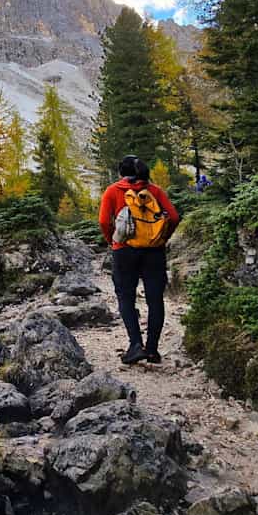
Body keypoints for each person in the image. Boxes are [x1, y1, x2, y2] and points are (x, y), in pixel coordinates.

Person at [98, 155, 180, 365]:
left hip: (124, 251)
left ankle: (135, 345)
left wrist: (113, 241)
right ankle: (152, 349)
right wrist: (161, 238)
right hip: (154, 252)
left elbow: (104, 221)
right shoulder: (155, 191)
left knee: (126, 297)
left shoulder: (113, 191)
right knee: (155, 299)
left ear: (121, 172)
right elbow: (174, 216)